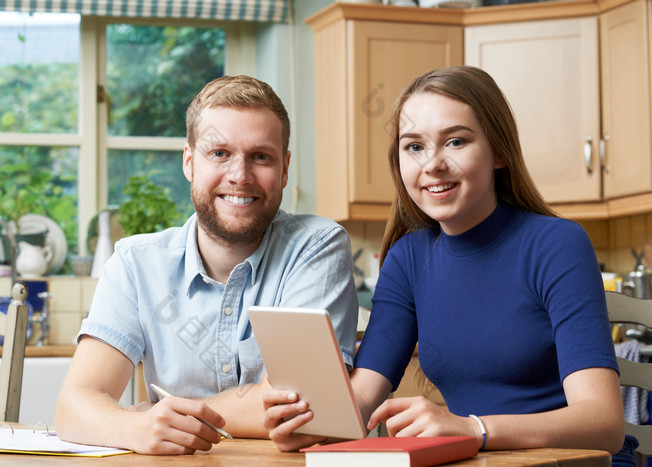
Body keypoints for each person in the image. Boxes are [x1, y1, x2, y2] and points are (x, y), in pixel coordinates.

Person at [263, 65, 633, 463]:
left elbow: (604, 423)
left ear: (500, 152)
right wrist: (309, 425)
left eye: (455, 142)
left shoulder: (556, 244)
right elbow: (365, 395)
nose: (432, 164)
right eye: (414, 146)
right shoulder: (408, 259)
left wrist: (474, 428)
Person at [55, 75, 358, 455]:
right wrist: (135, 426)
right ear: (189, 162)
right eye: (219, 153)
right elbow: (74, 406)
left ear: (284, 169)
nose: (240, 176)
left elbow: (303, 406)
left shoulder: (316, 246)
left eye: (260, 156)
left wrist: (160, 415)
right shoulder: (135, 263)